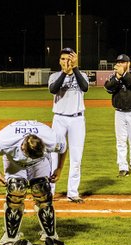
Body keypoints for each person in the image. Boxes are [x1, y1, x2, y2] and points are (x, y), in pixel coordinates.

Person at [0, 120, 67, 245]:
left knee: (43, 192)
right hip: (14, 161)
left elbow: (63, 149)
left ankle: (50, 235)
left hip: (40, 161)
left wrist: (59, 169)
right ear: (23, 147)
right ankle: (10, 237)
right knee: (15, 191)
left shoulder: (51, 138)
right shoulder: (4, 140)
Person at [47, 47, 88, 203]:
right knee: (53, 157)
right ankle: (50, 191)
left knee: (76, 157)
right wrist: (65, 72)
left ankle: (72, 192)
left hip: (77, 120)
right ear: (59, 61)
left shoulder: (81, 75)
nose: (66, 61)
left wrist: (75, 68)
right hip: (59, 119)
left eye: (69, 58)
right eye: (63, 59)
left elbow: (84, 87)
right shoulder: (55, 76)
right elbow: (53, 89)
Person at [104, 54, 131, 177]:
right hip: (119, 112)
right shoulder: (113, 75)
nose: (120, 64)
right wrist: (117, 77)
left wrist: (124, 75)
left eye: (123, 62)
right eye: (118, 62)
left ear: (128, 63)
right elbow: (108, 88)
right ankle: (122, 167)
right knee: (120, 141)